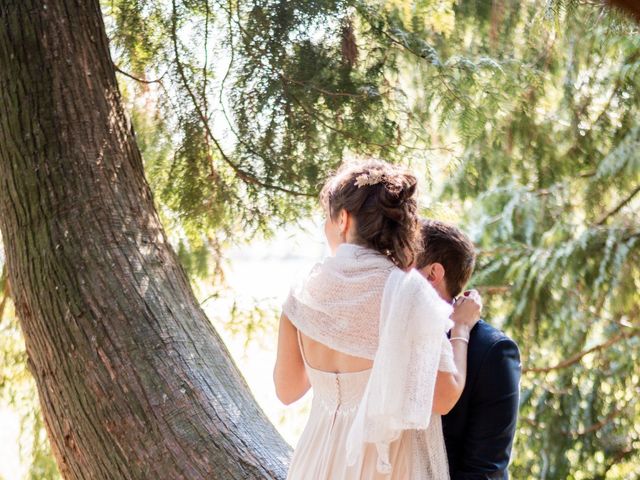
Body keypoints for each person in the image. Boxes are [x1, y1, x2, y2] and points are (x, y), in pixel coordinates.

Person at [273, 160, 481, 479]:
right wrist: (462, 328)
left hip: (315, 461)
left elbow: (288, 391)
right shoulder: (409, 294)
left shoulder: (303, 290)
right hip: (386, 466)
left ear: (342, 220)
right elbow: (443, 397)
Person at [416, 219, 521, 480]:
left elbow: (485, 469)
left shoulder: (493, 351)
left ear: (432, 274)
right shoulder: (386, 333)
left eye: (402, 264)